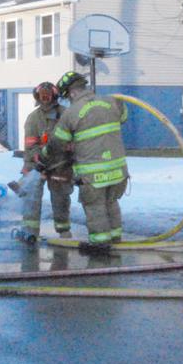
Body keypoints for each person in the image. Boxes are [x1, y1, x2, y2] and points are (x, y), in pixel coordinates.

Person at [52, 70, 128, 253]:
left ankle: (100, 244)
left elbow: (58, 144)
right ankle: (116, 238)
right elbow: (123, 117)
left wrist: (46, 155)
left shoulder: (71, 113)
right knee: (111, 203)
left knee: (95, 207)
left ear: (71, 93)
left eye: (66, 97)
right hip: (118, 170)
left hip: (93, 174)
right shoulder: (111, 102)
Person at [18, 81, 73, 244]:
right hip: (36, 164)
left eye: (48, 96)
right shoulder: (33, 118)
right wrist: (39, 161)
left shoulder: (66, 115)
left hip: (61, 164)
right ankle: (30, 231)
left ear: (55, 96)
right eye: (42, 96)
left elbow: (74, 139)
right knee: (31, 197)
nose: (45, 99)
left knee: (61, 197)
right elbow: (30, 146)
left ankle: (64, 230)